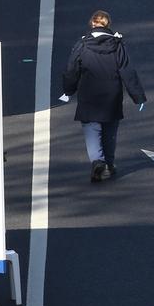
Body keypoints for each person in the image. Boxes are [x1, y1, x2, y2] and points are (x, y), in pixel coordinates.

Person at [61, 10, 146, 182]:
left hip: (89, 94)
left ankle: (97, 161)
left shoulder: (82, 45)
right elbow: (127, 71)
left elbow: (71, 70)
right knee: (110, 131)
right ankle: (110, 163)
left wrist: (68, 90)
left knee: (92, 130)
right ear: (108, 24)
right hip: (112, 94)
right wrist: (138, 96)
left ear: (92, 24)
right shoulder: (117, 45)